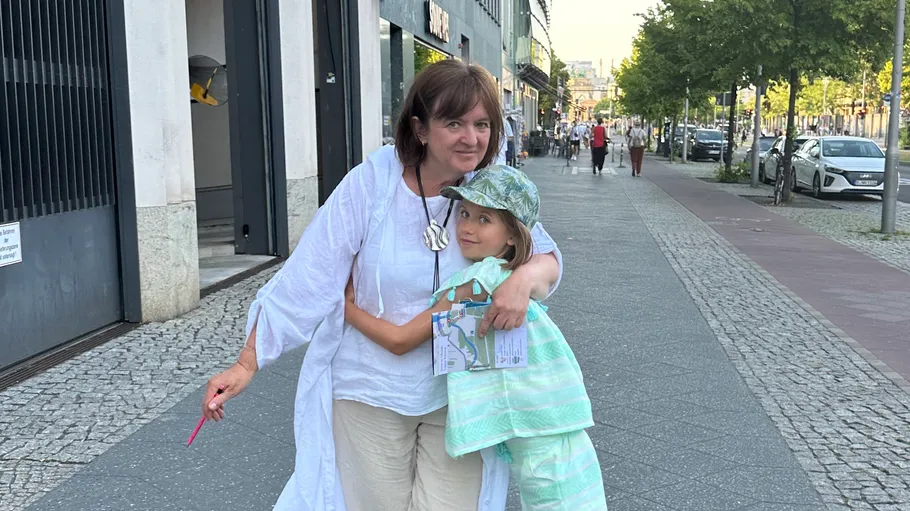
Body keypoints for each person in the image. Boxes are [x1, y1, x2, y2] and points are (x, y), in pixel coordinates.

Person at [201, 60, 563, 511]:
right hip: (371, 391)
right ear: (421, 128)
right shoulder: (371, 184)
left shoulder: (493, 188)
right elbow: (309, 275)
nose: (472, 138)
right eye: (455, 123)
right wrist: (247, 361)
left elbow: (546, 256)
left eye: (482, 124)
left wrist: (523, 279)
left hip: (463, 393)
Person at [344, 166, 607, 511]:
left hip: (537, 436)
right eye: (465, 213)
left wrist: (346, 308)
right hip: (559, 422)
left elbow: (401, 340)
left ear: (513, 234)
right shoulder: (518, 276)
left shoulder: (476, 283)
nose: (467, 226)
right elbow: (548, 273)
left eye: (485, 220)